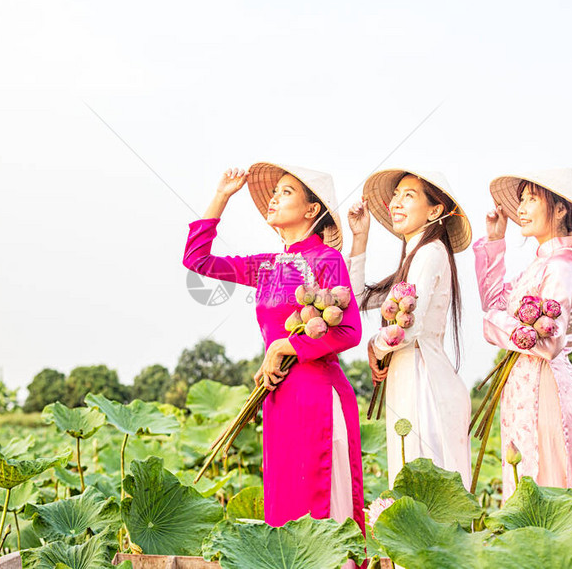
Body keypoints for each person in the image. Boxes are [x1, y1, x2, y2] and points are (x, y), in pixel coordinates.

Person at [182, 163, 366, 539]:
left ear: (312, 210)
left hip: (317, 396)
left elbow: (349, 331)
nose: (273, 198)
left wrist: (287, 344)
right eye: (274, 191)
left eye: (286, 192)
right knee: (284, 507)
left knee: (319, 510)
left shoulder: (326, 261)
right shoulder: (267, 267)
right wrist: (221, 196)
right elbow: (197, 260)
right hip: (279, 395)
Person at [474, 168, 572, 499]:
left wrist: (493, 324)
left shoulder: (562, 265)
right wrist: (496, 241)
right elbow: (493, 301)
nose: (521, 208)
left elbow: (547, 343)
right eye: (522, 200)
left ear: (560, 208)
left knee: (545, 482)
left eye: (532, 199)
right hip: (523, 385)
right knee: (525, 486)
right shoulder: (540, 264)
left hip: (546, 390)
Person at [347, 169, 472, 489]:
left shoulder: (430, 252)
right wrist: (360, 238)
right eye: (396, 195)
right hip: (407, 372)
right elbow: (357, 297)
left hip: (423, 376)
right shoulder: (414, 256)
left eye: (409, 195)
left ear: (435, 210)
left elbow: (409, 329)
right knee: (411, 478)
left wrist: (375, 346)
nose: (396, 202)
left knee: (425, 482)